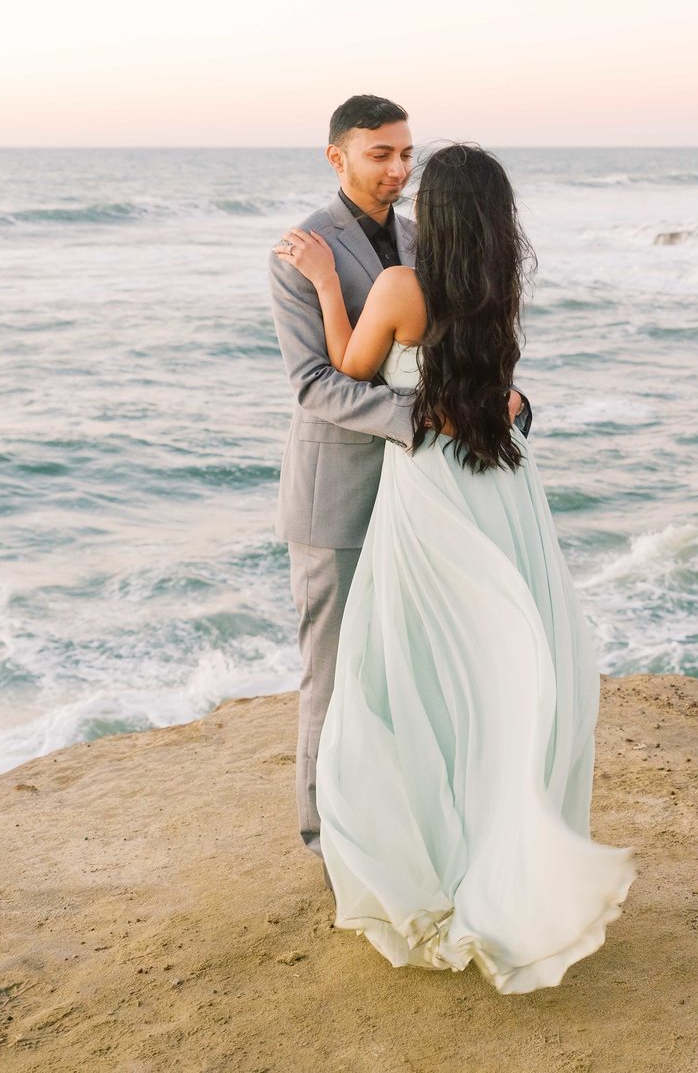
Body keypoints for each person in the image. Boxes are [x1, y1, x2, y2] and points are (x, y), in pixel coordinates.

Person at [272, 142, 634, 993]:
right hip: (500, 489)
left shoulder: (399, 288)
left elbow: (343, 370)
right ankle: (489, 851)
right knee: (492, 668)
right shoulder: (494, 289)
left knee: (406, 671)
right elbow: (497, 390)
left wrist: (329, 285)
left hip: (431, 490)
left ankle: (419, 855)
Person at [268, 96, 529, 864]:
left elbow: (465, 345)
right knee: (335, 673)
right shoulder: (301, 250)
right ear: (337, 156)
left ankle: (405, 827)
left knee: (413, 673)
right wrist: (428, 415)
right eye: (380, 154)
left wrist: (494, 401)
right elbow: (315, 384)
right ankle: (325, 842)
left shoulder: (427, 240)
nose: (399, 170)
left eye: (406, 154)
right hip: (341, 498)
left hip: (428, 499)